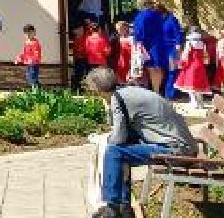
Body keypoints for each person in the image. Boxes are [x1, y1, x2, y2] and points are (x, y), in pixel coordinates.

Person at [84, 68, 198, 218]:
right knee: (121, 151)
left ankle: (112, 207)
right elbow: (125, 134)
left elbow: (118, 138)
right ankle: (124, 207)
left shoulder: (118, 99)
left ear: (99, 89)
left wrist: (103, 138)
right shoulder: (127, 92)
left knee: (114, 151)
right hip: (182, 146)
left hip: (176, 151)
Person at [129, 0, 176, 93]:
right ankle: (157, 90)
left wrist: (137, 42)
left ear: (142, 5)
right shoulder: (157, 14)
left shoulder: (142, 15)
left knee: (151, 68)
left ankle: (154, 91)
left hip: (149, 45)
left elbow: (140, 31)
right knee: (158, 68)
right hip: (160, 44)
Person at [173, 29, 213, 111]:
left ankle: (194, 102)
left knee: (190, 85)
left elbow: (186, 54)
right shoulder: (202, 44)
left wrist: (182, 62)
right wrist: (205, 62)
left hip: (191, 65)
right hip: (200, 65)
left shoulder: (189, 43)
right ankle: (200, 103)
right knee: (199, 85)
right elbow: (205, 56)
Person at [74, 20, 113, 90]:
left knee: (92, 78)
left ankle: (92, 90)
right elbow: (107, 52)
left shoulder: (88, 39)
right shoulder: (102, 39)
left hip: (91, 61)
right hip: (101, 61)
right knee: (102, 78)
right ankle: (101, 90)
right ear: (99, 29)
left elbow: (86, 50)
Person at [16, 24, 44, 91]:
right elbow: (24, 52)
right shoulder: (26, 42)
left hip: (34, 63)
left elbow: (37, 52)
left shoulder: (35, 43)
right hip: (28, 62)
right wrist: (19, 58)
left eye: (30, 33)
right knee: (29, 76)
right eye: (26, 34)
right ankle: (37, 88)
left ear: (34, 32)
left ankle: (35, 90)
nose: (28, 35)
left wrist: (35, 59)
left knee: (33, 76)